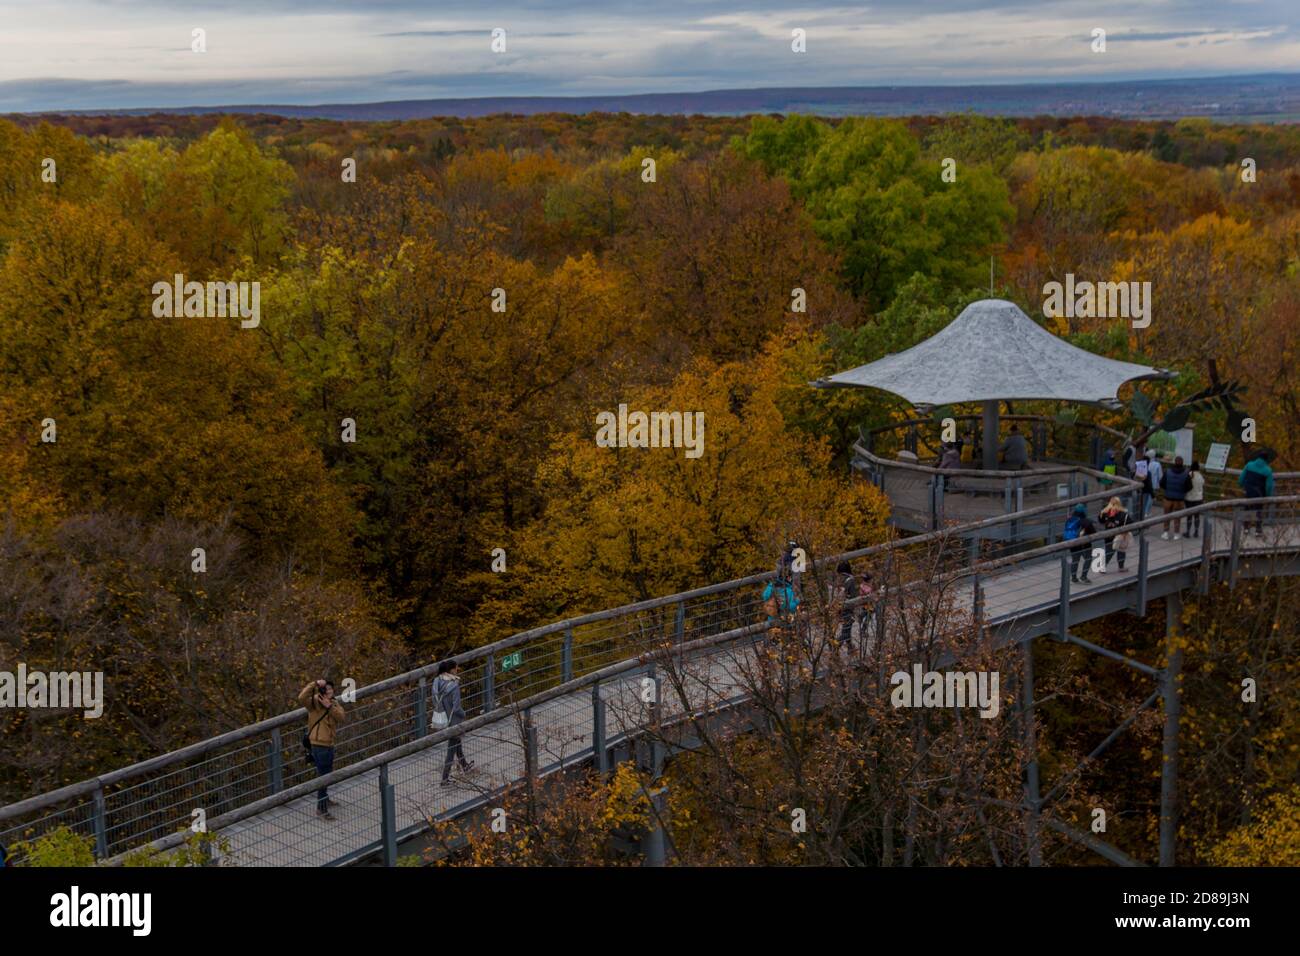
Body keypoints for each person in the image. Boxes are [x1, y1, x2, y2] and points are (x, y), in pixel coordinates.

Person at [298, 678, 345, 819]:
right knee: (323, 776)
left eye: (330, 689)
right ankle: (321, 809)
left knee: (327, 774)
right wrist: (315, 684)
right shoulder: (314, 703)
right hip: (319, 744)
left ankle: (324, 800)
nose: (328, 692)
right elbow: (301, 697)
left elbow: (342, 717)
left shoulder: (334, 703)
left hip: (329, 744)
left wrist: (329, 706)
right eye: (326, 689)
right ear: (321, 691)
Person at [433, 660, 475, 787]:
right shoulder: (454, 685)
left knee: (457, 743)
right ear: (451, 670)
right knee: (451, 749)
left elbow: (435, 701)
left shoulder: (436, 682)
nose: (457, 670)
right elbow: (457, 708)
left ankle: (465, 765)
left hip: (443, 717)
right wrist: (464, 714)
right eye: (456, 668)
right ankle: (444, 779)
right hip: (454, 720)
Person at [1239, 449, 1276, 535]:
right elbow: (1269, 486)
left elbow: (1241, 478)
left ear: (1258, 457)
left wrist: (1242, 485)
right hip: (1259, 493)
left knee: (1247, 508)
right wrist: (1267, 495)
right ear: (1266, 459)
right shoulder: (1268, 470)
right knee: (1258, 510)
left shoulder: (1249, 465)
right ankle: (1258, 529)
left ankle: (1246, 528)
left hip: (1248, 491)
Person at [1064, 502, 1097, 584]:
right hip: (1084, 544)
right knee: (1088, 558)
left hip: (1072, 542)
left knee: (1075, 559)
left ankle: (1074, 577)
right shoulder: (1086, 521)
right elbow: (1093, 532)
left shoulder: (1070, 519)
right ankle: (1083, 576)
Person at [1160, 455, 1190, 539]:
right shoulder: (1186, 473)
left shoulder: (1168, 472)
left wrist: (1168, 489)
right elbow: (1189, 486)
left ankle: (1165, 532)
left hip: (1168, 497)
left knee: (1166, 516)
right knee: (1177, 517)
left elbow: (1162, 483)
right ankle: (1176, 534)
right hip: (1179, 499)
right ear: (1182, 463)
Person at [1098, 497, 1132, 572]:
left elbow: (1101, 521)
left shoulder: (1120, 514)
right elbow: (1101, 521)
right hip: (1115, 536)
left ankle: (1107, 567)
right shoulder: (1111, 512)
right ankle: (1116, 567)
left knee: (1115, 551)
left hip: (1114, 536)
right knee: (1115, 551)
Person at [833, 561, 859, 644]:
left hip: (838, 605)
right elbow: (853, 595)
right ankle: (835, 645)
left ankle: (850, 648)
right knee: (846, 629)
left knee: (847, 627)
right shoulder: (850, 580)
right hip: (847, 606)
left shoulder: (838, 579)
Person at [1185, 460, 1205, 537]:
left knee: (1189, 516)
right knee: (1197, 516)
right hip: (1198, 498)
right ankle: (1196, 531)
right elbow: (1202, 487)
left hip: (1189, 498)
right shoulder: (1200, 476)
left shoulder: (1190, 474)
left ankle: (1188, 531)